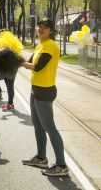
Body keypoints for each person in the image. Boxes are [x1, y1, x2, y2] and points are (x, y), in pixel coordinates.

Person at [21, 18, 68, 177]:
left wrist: (18, 62)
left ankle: (61, 165)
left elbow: (38, 67)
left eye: (45, 27)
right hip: (35, 89)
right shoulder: (40, 45)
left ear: (51, 30)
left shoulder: (50, 46)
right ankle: (41, 158)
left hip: (45, 91)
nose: (41, 29)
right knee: (38, 126)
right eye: (39, 26)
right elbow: (28, 61)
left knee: (50, 128)